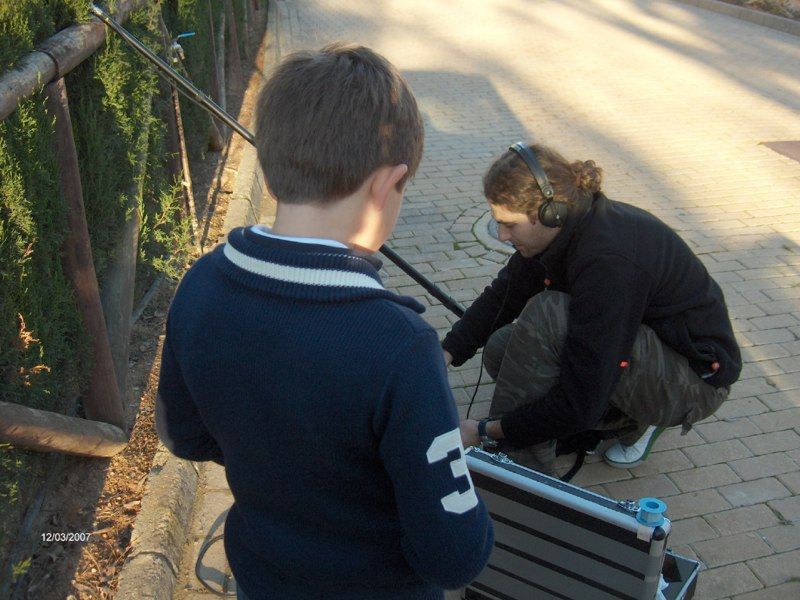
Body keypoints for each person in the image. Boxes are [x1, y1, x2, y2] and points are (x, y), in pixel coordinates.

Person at [156, 43, 493, 600]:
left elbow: (183, 434)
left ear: (269, 174)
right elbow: (454, 556)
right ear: (388, 184)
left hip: (262, 578)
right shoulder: (399, 345)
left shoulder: (202, 284)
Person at [443, 142, 741, 475]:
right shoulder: (565, 225)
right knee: (502, 348)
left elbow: (581, 401)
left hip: (693, 381)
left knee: (549, 316)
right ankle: (616, 419)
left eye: (509, 224)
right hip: (642, 342)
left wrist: (487, 431)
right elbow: (502, 297)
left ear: (548, 213)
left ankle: (521, 471)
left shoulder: (608, 262)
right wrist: (444, 354)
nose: (501, 234)